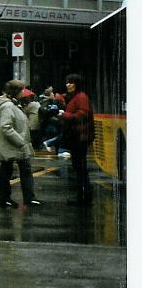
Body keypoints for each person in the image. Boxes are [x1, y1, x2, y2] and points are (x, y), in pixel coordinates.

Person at [0, 79, 41, 208]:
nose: (23, 93)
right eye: (21, 90)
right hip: (14, 146)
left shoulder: (12, 104)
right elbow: (6, 127)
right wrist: (20, 141)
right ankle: (17, 198)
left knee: (9, 171)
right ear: (15, 92)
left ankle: (15, 198)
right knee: (12, 171)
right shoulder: (8, 106)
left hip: (15, 146)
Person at [59, 73, 94, 206]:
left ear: (77, 84)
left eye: (71, 82)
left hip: (80, 136)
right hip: (77, 137)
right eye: (67, 82)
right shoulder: (77, 97)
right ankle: (83, 196)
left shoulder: (81, 97)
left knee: (80, 168)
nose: (68, 84)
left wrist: (65, 115)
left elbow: (83, 114)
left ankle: (83, 197)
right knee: (79, 167)